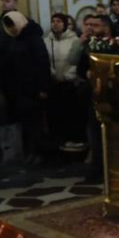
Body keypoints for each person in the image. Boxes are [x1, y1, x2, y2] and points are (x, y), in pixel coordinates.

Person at [0, 10, 51, 164]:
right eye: (9, 26)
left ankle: (39, 152)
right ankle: (30, 151)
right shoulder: (9, 40)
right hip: (17, 89)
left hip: (33, 88)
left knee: (36, 122)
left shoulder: (33, 38)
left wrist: (43, 88)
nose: (12, 29)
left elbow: (42, 63)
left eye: (13, 25)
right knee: (25, 123)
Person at [43, 12, 82, 152]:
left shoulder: (74, 40)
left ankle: (70, 143)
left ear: (65, 24)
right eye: (53, 21)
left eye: (59, 21)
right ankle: (57, 144)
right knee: (54, 115)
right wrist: (52, 73)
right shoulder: (47, 40)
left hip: (69, 83)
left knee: (69, 115)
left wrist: (68, 75)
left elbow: (76, 60)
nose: (55, 23)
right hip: (53, 84)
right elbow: (44, 60)